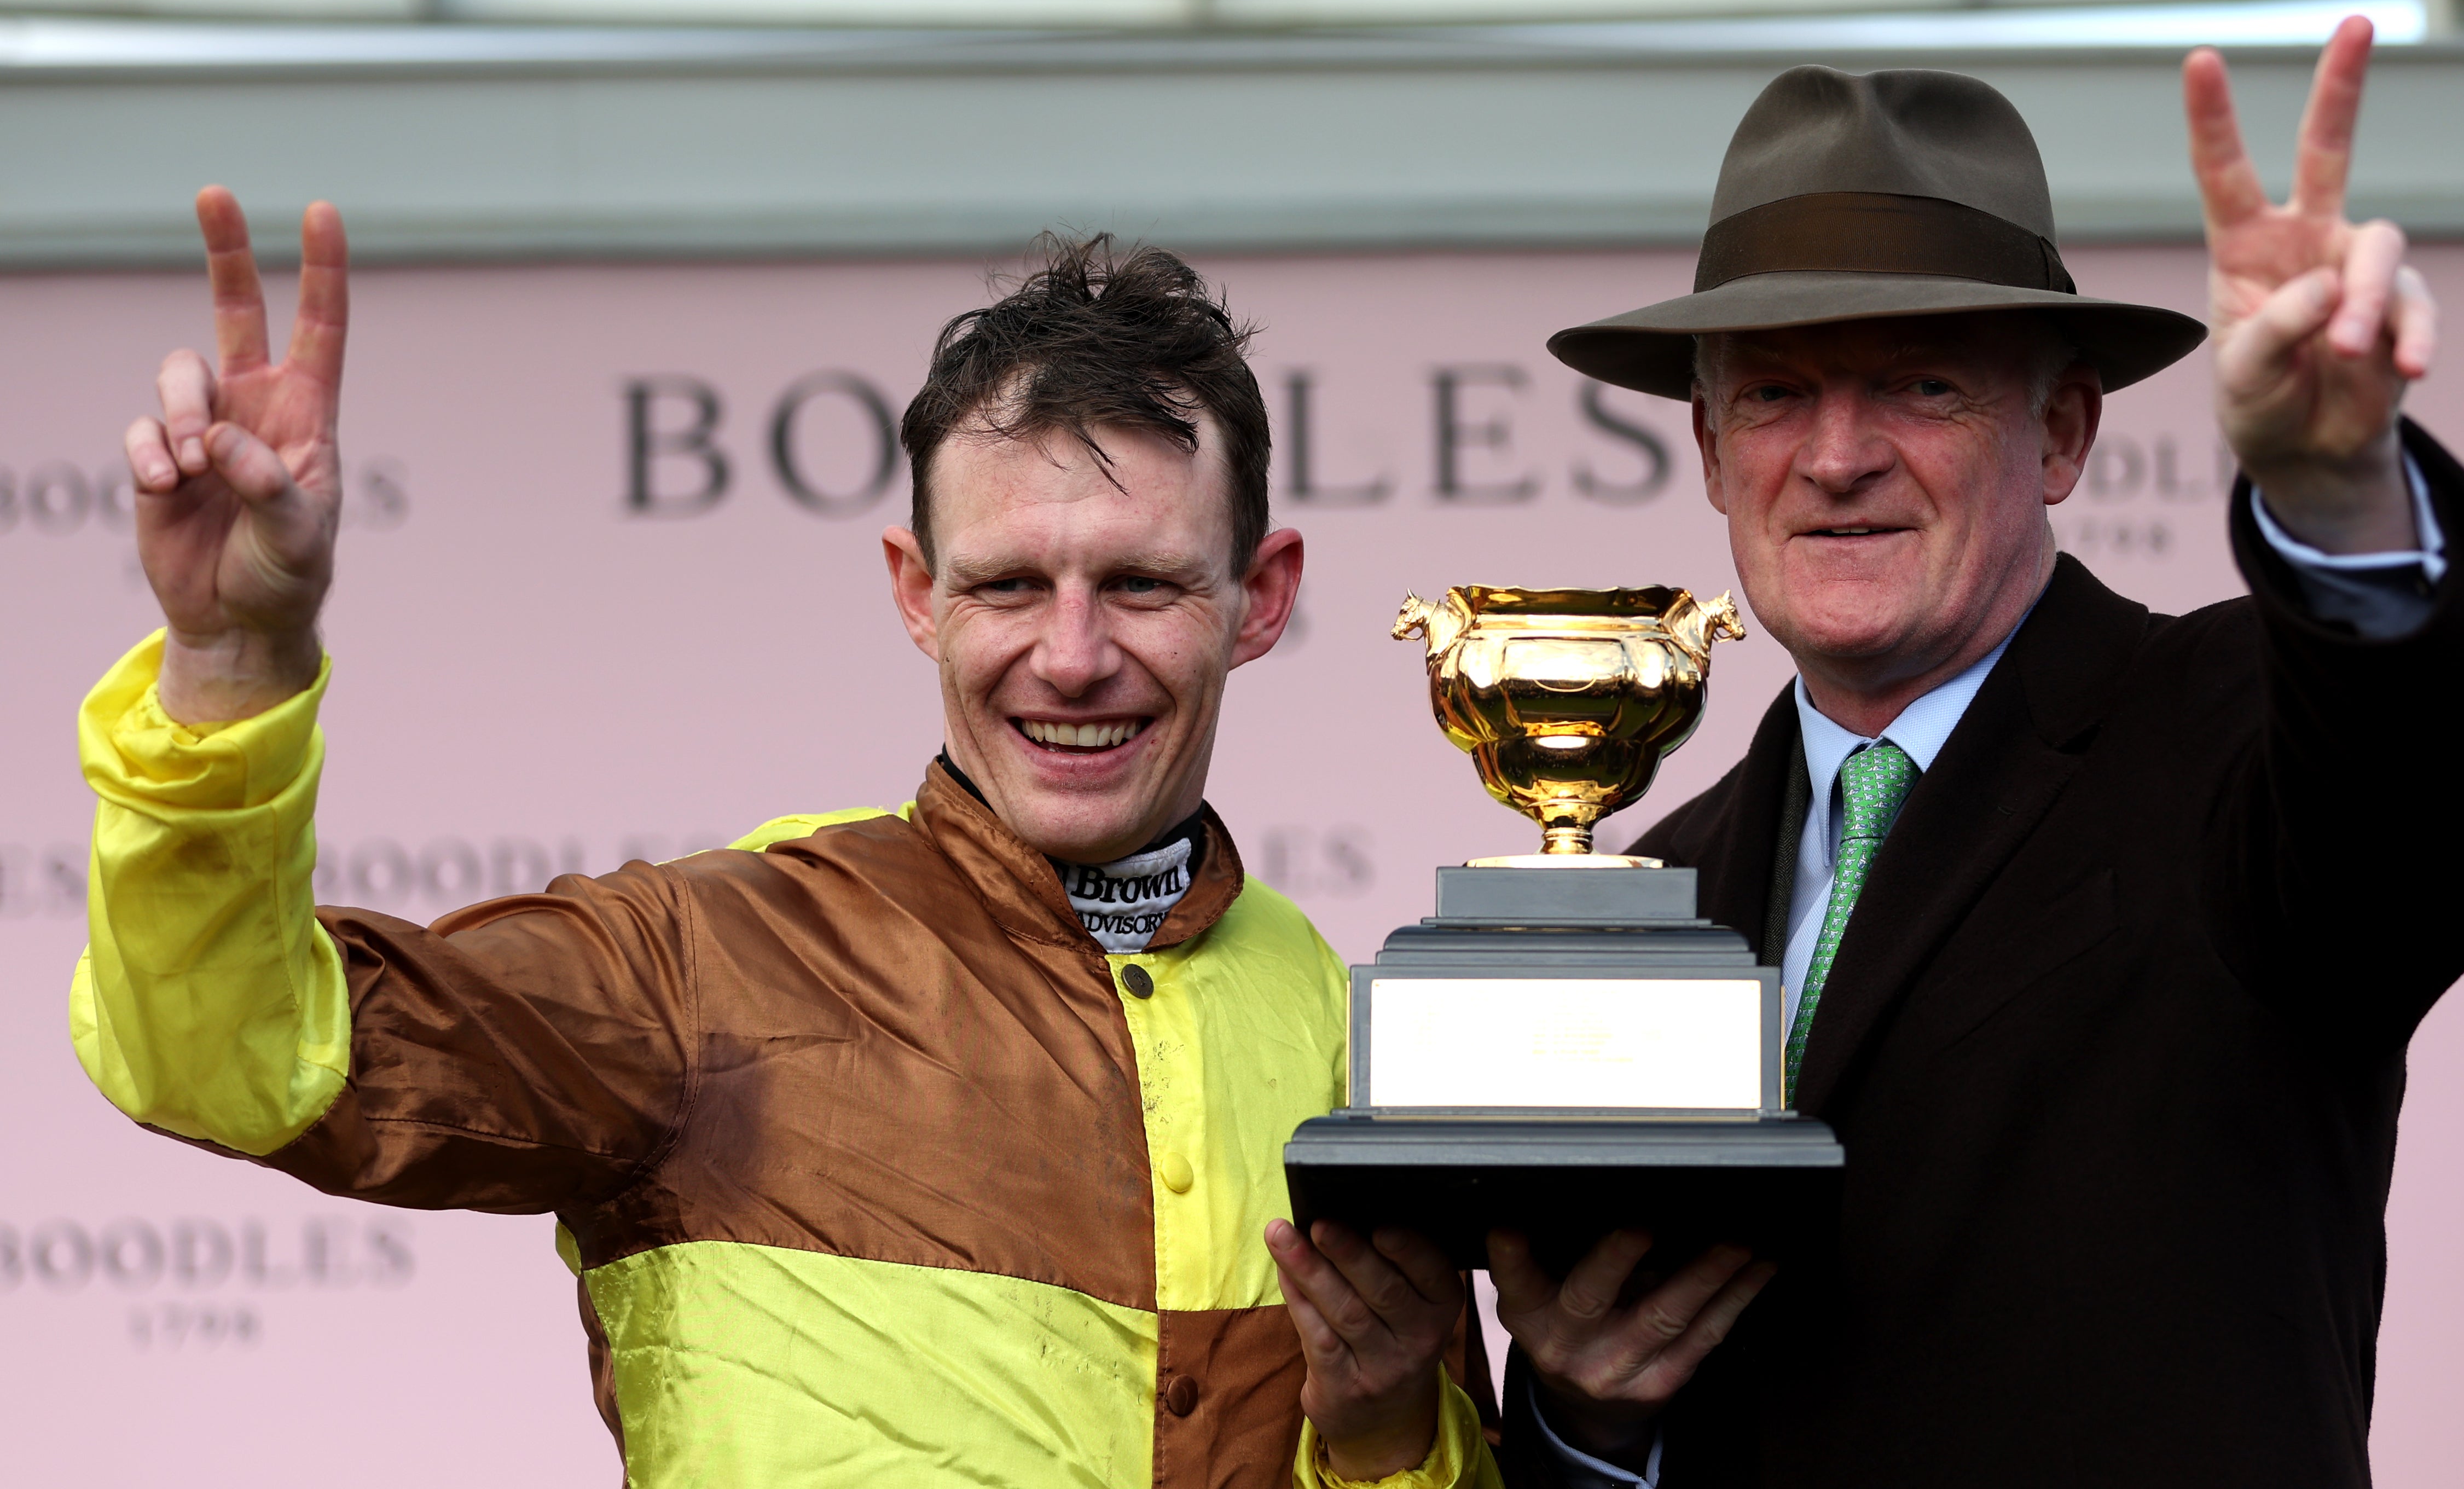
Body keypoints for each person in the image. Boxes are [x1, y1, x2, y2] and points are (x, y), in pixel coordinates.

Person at [70, 210, 1498, 1489]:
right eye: (1009, 584)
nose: (1073, 658)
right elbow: (236, 1056)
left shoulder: (1335, 1018)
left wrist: (1383, 1444)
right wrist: (232, 657)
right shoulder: (707, 966)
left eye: (1139, 583)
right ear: (916, 594)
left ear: (1263, 598)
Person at [1481, 20, 2464, 1486]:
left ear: (2061, 433)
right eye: (1776, 393)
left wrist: (2337, 485)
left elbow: (2460, 760)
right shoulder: (1659, 881)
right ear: (1706, 450)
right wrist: (1585, 1423)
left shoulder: (2229, 740)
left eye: (1923, 386)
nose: (1837, 454)